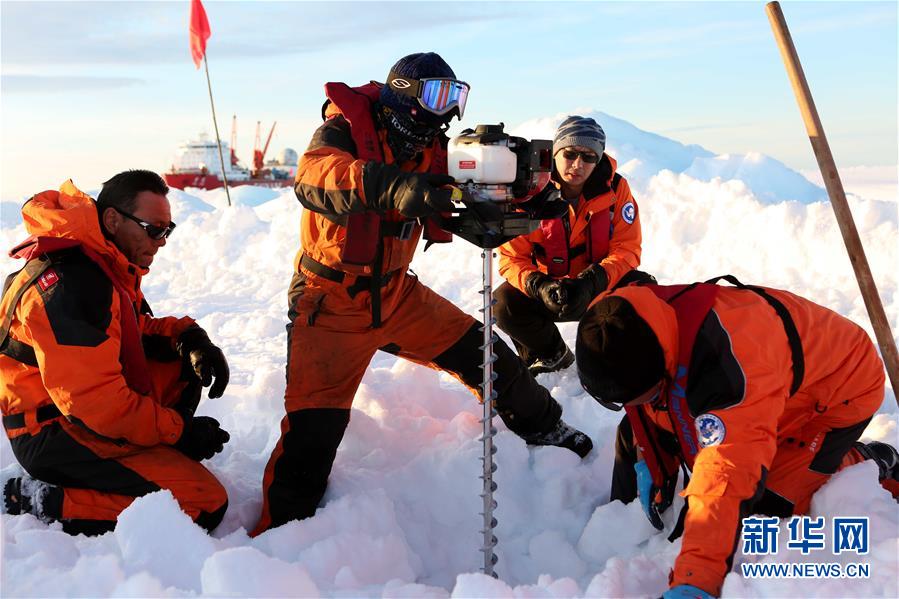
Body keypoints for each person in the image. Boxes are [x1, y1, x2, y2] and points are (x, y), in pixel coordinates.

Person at [251, 52, 593, 536]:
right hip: (330, 302)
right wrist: (396, 188)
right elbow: (315, 177)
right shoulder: (343, 131)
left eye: (456, 96)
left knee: (487, 354)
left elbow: (461, 194)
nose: (447, 109)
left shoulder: (429, 148)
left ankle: (545, 425)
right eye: (436, 94)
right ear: (404, 94)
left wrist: (525, 202)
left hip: (397, 295)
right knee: (312, 436)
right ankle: (280, 538)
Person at [575, 275, 899, 598]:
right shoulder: (615, 319)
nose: (631, 406)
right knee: (635, 434)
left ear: (661, 375)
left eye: (643, 397)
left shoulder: (729, 371)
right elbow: (645, 408)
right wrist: (648, 456)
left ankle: (865, 459)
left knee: (768, 511)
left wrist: (695, 579)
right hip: (768, 390)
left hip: (837, 390)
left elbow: (723, 478)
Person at [0, 171, 231, 535]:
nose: (161, 242)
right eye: (153, 230)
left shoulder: (97, 261)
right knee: (203, 503)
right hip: (52, 432)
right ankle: (43, 498)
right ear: (112, 220)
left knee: (177, 363)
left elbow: (131, 329)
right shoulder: (73, 285)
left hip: (76, 412)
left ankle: (148, 459)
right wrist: (179, 431)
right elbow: (98, 404)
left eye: (167, 231)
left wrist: (189, 338)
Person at [495, 115, 654, 376]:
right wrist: (539, 286)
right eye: (570, 154)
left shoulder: (616, 189)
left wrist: (592, 281)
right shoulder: (528, 188)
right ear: (555, 152)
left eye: (589, 157)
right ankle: (550, 354)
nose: (578, 164)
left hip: (595, 286)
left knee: (643, 290)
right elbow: (512, 258)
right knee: (503, 303)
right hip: (549, 291)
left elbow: (627, 249)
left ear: (598, 160)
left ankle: (611, 356)